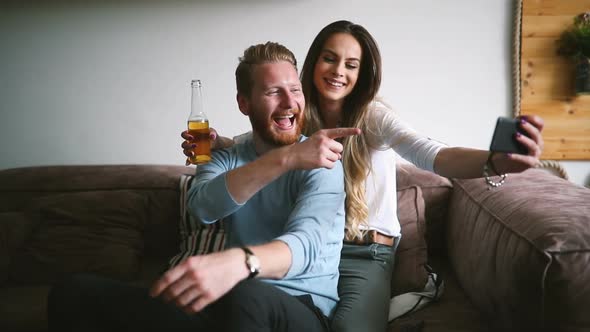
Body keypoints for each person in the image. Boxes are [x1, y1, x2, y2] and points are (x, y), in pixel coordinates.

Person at [182, 20, 545, 332]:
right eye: (330, 58)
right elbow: (262, 143)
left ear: (361, 73)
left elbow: (432, 154)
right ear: (313, 64)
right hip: (321, 255)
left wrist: (493, 162)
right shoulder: (297, 113)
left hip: (364, 252)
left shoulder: (373, 116)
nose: (339, 71)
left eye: (351, 64)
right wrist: (223, 144)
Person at [47, 41, 362, 332]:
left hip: (303, 308)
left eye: (295, 89)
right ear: (244, 103)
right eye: (272, 92)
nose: (290, 102)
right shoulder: (224, 157)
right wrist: (284, 158)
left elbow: (304, 248)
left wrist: (240, 263)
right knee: (74, 291)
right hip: (230, 303)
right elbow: (203, 207)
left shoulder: (322, 161)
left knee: (245, 296)